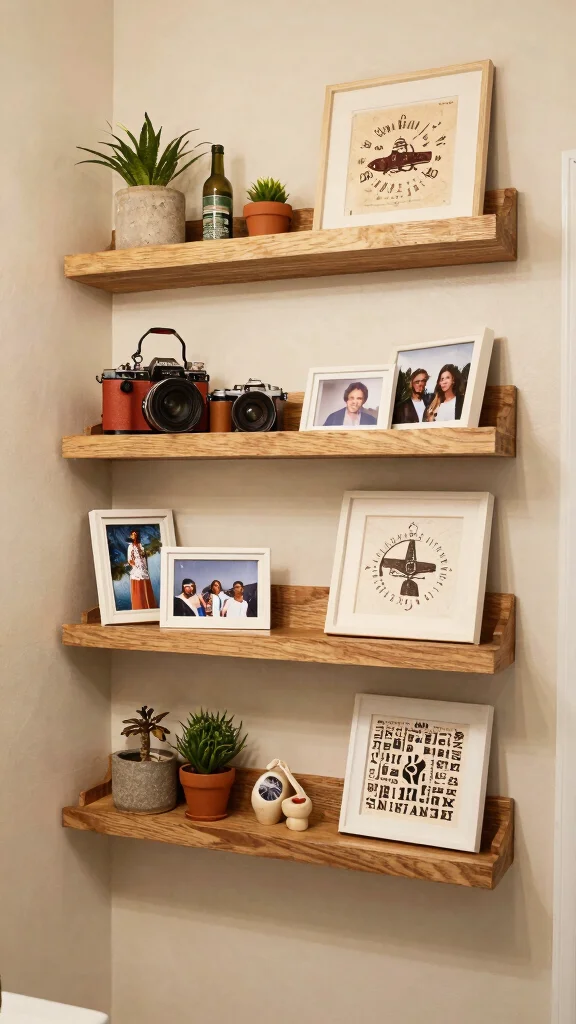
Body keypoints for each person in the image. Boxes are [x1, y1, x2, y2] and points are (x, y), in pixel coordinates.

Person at [126, 529, 157, 610]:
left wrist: (144, 565)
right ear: (131, 536)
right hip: (136, 570)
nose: (134, 536)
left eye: (135, 534)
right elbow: (129, 560)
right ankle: (139, 607)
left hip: (143, 568)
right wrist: (135, 566)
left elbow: (144, 557)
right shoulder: (130, 547)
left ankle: (149, 607)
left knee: (146, 587)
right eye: (133, 535)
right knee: (138, 589)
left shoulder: (141, 546)